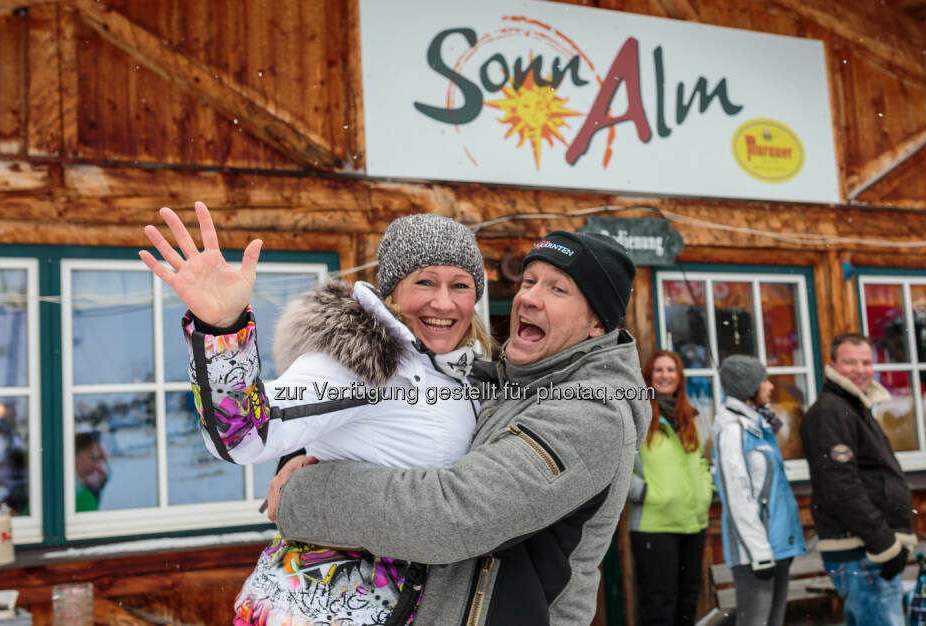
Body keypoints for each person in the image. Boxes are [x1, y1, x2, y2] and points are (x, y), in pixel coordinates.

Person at [266, 230, 650, 625]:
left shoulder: (592, 412)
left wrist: (302, 495)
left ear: (596, 324)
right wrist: (302, 454)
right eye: (530, 280)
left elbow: (450, 516)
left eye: (558, 289)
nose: (529, 297)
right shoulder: (500, 384)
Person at [140, 202, 492, 625]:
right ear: (393, 289)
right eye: (425, 282)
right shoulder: (363, 362)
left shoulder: (465, 373)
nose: (443, 302)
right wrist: (222, 329)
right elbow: (247, 434)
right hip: (311, 609)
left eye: (460, 285)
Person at [800, 333, 916, 626]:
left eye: (866, 362)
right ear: (831, 365)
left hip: (869, 549)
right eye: (850, 362)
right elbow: (841, 487)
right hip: (862, 552)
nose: (860, 369)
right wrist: (884, 543)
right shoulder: (831, 412)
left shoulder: (853, 407)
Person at [711, 355, 806, 626]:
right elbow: (736, 497)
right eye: (763, 381)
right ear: (747, 388)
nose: (770, 386)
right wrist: (759, 553)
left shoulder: (759, 426)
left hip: (777, 546)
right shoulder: (732, 432)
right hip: (756, 554)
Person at [628, 350, 713, 626]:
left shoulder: (690, 416)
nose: (665, 376)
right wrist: (645, 493)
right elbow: (616, 464)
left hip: (693, 522)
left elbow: (700, 460)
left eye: (671, 370)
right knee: (658, 607)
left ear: (679, 378)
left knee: (687, 603)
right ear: (649, 376)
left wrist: (706, 491)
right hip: (655, 524)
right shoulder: (638, 414)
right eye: (659, 370)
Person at [74, 432, 109, 512]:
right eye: (94, 459)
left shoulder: (83, 491)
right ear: (76, 456)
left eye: (102, 461)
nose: (99, 467)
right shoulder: (84, 498)